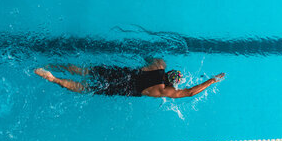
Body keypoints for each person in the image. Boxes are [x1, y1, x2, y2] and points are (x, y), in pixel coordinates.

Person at [34, 58, 225, 98]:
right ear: (171, 82)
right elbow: (190, 92)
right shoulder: (164, 90)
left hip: (121, 73)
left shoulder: (159, 66)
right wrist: (212, 81)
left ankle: (52, 65)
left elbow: (150, 57)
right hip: (125, 89)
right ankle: (55, 79)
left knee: (87, 70)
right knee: (86, 88)